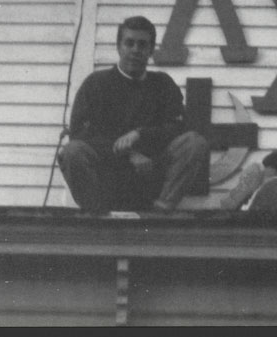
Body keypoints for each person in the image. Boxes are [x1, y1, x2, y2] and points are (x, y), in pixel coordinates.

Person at [58, 16, 209, 213]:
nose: (136, 50)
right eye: (129, 43)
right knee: (72, 151)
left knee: (194, 143)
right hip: (108, 180)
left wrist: (140, 134)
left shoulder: (163, 84)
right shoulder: (96, 84)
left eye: (142, 44)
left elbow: (178, 127)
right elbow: (80, 134)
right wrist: (129, 154)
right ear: (119, 47)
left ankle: (161, 212)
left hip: (151, 179)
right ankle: (95, 217)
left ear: (151, 50)